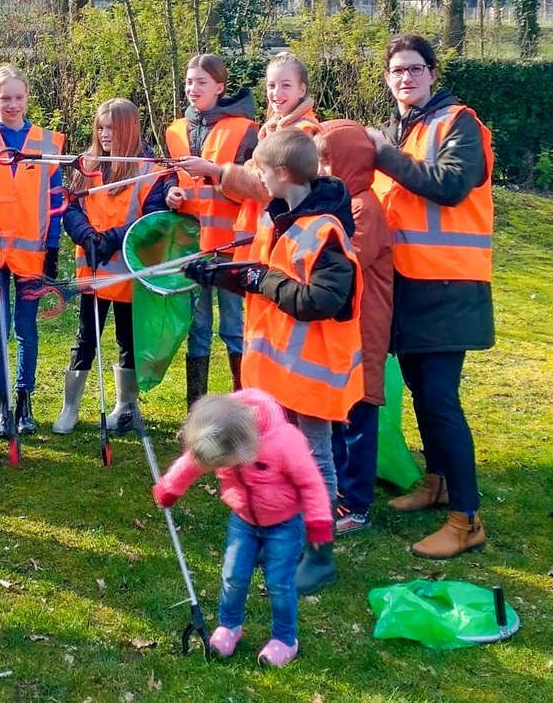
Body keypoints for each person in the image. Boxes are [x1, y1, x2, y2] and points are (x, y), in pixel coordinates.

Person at [184, 128, 363, 597]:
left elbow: (321, 299)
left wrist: (259, 278)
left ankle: (320, 555)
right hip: (278, 372)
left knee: (314, 460)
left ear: (282, 174)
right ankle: (284, 534)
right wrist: (219, 273)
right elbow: (258, 274)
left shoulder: (325, 231)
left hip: (314, 375)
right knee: (278, 456)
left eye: (260, 171)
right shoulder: (276, 216)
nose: (255, 178)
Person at [365, 33, 494, 559]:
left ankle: (467, 519)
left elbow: (450, 185)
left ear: (433, 73)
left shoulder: (459, 122)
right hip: (409, 283)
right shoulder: (406, 127)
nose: (406, 78)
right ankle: (437, 482)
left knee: (440, 400)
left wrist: (384, 155)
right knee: (421, 392)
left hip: (449, 284)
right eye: (397, 70)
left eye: (415, 69)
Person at [152, 390, 332, 667]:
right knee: (233, 575)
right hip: (244, 521)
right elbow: (192, 463)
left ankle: (285, 639)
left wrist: (318, 525)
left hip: (284, 524)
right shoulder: (221, 431)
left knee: (279, 584)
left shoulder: (284, 442)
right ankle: (230, 626)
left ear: (243, 447)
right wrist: (169, 488)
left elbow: (311, 483)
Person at [56, 98, 173, 434]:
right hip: (94, 271)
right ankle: (70, 407)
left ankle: (125, 406)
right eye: (101, 127)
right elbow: (71, 207)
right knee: (86, 338)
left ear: (128, 129)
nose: (105, 134)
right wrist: (86, 236)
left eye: (112, 128)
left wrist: (109, 239)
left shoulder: (148, 169)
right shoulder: (88, 164)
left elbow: (151, 217)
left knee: (128, 338)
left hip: (128, 271)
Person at [0, 66, 64, 437]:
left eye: (18, 97)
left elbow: (55, 199)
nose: (12, 104)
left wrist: (53, 245)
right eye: (5, 97)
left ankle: (24, 398)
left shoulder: (45, 142)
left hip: (33, 252)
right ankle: (1, 401)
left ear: (27, 98)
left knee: (26, 328)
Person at [166, 54, 259, 406]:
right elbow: (170, 182)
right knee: (198, 330)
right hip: (193, 246)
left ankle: (245, 411)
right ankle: (197, 413)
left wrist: (215, 171)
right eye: (189, 82)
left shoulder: (244, 130)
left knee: (235, 330)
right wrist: (171, 195)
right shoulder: (175, 131)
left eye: (201, 82)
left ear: (219, 87)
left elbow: (254, 187)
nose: (193, 89)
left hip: (233, 247)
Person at [316, 121, 394, 535]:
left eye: (328, 160)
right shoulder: (341, 202)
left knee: (358, 413)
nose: (322, 169)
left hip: (365, 326)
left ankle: (357, 503)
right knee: (338, 409)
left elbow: (347, 263)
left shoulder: (364, 207)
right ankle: (339, 491)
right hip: (343, 327)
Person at [212, 52, 321, 245]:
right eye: (271, 85)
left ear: (302, 89)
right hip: (257, 231)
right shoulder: (271, 130)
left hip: (277, 236)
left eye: (286, 85)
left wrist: (218, 172)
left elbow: (269, 187)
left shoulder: (303, 132)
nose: (276, 93)